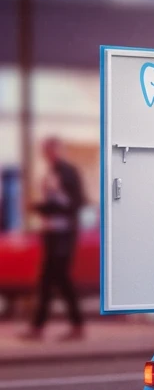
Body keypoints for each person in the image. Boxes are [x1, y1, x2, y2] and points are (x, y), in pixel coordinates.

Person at [21, 138, 86, 341]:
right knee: (49, 280)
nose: (48, 155)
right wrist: (39, 207)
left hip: (64, 234)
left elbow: (74, 202)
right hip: (52, 232)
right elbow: (52, 202)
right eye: (45, 151)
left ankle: (71, 325)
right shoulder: (51, 172)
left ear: (58, 150)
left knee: (58, 279)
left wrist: (48, 204)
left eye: (50, 150)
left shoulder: (67, 172)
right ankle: (42, 327)